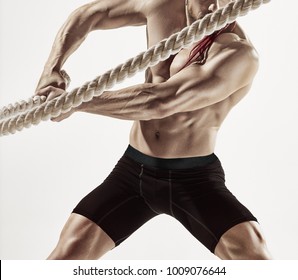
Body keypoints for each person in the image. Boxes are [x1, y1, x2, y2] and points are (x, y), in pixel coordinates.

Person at [35, 0, 272, 260]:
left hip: (194, 179)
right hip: (133, 172)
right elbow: (91, 13)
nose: (217, 6)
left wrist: (75, 103)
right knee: (65, 256)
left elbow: (161, 101)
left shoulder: (238, 53)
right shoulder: (161, 7)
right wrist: (52, 69)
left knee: (254, 259)